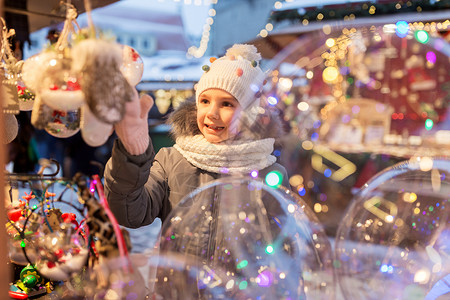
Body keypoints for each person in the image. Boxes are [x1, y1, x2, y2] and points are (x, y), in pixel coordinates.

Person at [104, 43, 289, 230]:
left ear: (249, 113)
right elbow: (129, 213)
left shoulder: (269, 173)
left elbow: (280, 239)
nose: (212, 113)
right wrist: (132, 156)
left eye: (227, 104)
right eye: (205, 101)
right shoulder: (171, 161)